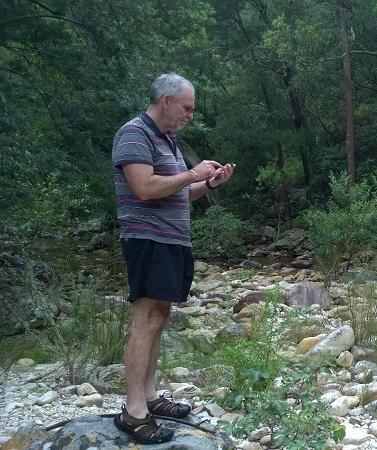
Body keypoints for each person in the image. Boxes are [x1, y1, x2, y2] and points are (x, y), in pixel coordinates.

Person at [111, 72, 235, 444]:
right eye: (187, 107)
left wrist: (207, 183)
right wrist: (190, 173)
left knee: (159, 316)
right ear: (166, 100)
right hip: (147, 239)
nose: (190, 115)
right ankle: (133, 413)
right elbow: (144, 188)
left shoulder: (167, 139)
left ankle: (149, 397)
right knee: (145, 317)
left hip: (171, 241)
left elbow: (177, 193)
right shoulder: (134, 133)